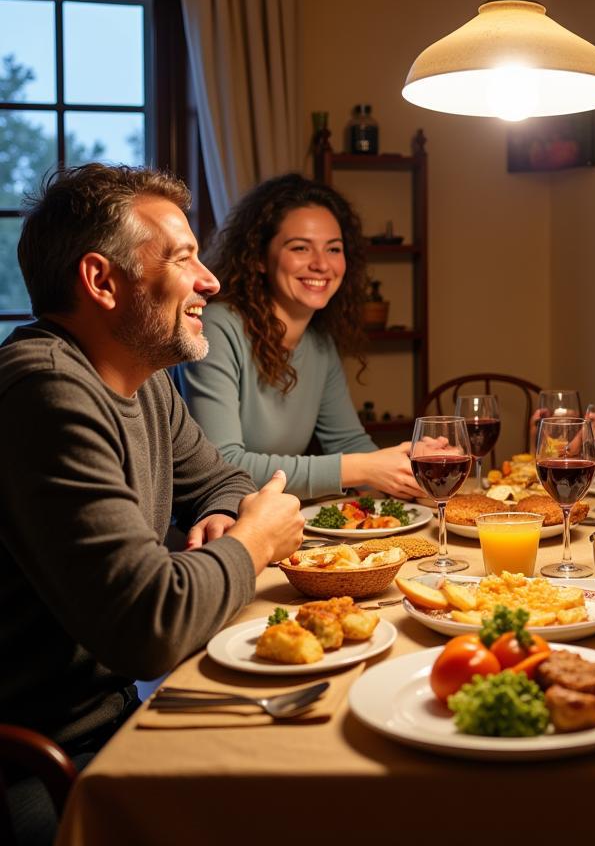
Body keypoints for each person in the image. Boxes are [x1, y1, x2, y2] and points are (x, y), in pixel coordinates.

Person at [0, 165, 303, 843]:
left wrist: (226, 520)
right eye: (183, 258)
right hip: (40, 761)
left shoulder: (145, 379)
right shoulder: (46, 392)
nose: (211, 281)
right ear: (102, 282)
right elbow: (149, 624)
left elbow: (223, 483)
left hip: (122, 716)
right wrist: (252, 543)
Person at [180, 174, 421, 500]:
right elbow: (223, 464)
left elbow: (349, 444)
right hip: (206, 528)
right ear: (259, 258)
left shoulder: (319, 342)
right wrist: (364, 468)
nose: (322, 264)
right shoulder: (217, 328)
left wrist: (411, 466)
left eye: (333, 249)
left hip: (275, 521)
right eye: (300, 248)